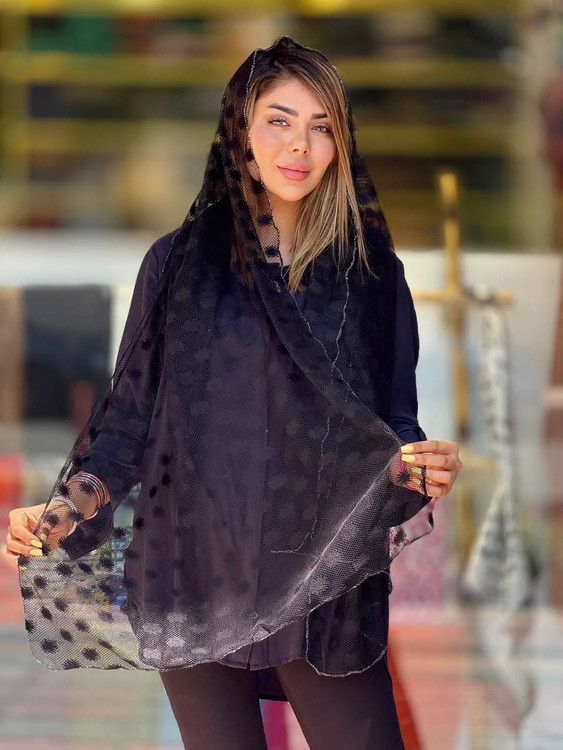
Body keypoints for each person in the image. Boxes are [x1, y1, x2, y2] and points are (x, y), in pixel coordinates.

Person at [3, 36, 462, 749]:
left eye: (321, 127)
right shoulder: (177, 265)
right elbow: (125, 429)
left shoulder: (372, 277)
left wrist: (421, 467)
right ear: (239, 134)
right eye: (278, 120)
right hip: (193, 572)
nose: (299, 145)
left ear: (339, 146)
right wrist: (65, 511)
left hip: (320, 581)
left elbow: (391, 431)